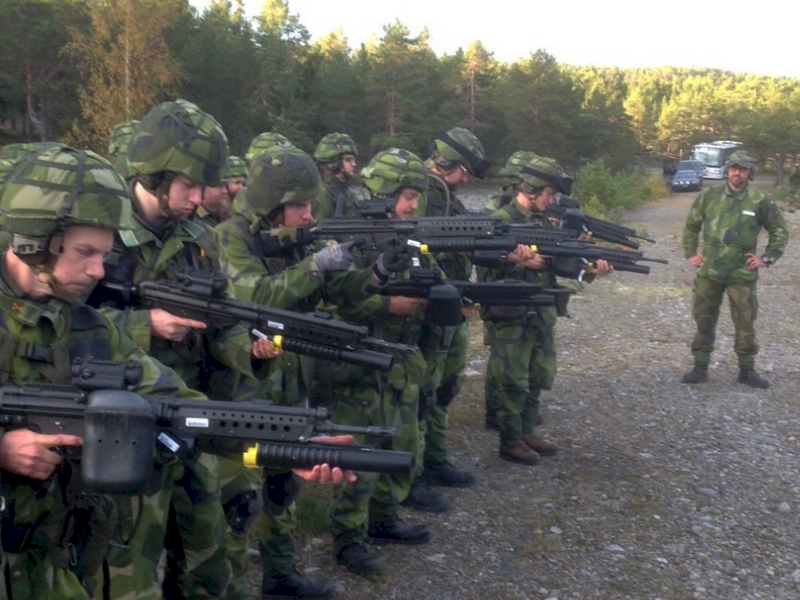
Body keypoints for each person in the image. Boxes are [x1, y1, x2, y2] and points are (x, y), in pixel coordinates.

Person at [83, 99, 276, 600]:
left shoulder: (199, 238)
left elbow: (221, 323)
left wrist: (250, 350)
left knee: (207, 560)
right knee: (130, 571)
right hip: (124, 428)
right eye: (188, 185)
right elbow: (63, 327)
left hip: (191, 418)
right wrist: (143, 325)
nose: (198, 197)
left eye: (203, 186)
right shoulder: (99, 233)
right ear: (154, 173)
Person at [214, 145, 393, 600]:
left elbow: (342, 290)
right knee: (241, 495)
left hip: (293, 378)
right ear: (270, 204)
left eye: (311, 205)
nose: (308, 214)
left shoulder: (299, 238)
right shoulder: (230, 237)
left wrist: (377, 272)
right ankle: (230, 585)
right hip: (246, 382)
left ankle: (280, 573)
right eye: (299, 205)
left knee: (287, 483)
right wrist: (314, 265)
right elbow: (255, 295)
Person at [314, 148, 443, 576]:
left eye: (415, 197)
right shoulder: (347, 236)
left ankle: (384, 517)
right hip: (356, 362)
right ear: (385, 193)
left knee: (400, 440)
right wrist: (387, 305)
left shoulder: (405, 234)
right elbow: (332, 301)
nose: (413, 205)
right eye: (407, 196)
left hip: (398, 358)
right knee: (360, 452)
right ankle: (348, 537)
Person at [479, 156, 612, 464]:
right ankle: (510, 439)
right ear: (531, 188)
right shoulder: (500, 219)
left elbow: (561, 263)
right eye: (548, 194)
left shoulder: (541, 223)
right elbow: (482, 263)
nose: (551, 201)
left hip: (540, 311)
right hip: (510, 313)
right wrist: (517, 262)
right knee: (512, 379)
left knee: (537, 374)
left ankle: (526, 431)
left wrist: (590, 270)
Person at [406, 128, 490, 507]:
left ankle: (435, 459)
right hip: (432, 308)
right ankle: (414, 472)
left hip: (452, 303)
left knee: (445, 387)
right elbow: (418, 250)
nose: (466, 178)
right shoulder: (424, 194)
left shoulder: (445, 197)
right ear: (444, 162)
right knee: (423, 392)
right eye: (463, 170)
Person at [682, 150, 788, 388]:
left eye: (742, 169)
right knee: (704, 319)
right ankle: (700, 366)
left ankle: (747, 370)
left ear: (750, 172)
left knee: (745, 321)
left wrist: (766, 258)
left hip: (742, 273)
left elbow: (779, 230)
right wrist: (690, 253)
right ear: (727, 170)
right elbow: (691, 226)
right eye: (733, 168)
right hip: (710, 272)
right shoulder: (709, 196)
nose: (737, 172)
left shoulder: (760, 200)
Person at [311, 132, 359, 220]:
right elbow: (320, 226)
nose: (354, 164)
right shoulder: (323, 195)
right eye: (348, 160)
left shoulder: (347, 192)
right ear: (333, 164)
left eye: (353, 160)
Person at [197, 155, 248, 229]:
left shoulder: (221, 212)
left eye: (243, 184)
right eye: (220, 186)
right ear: (203, 187)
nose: (225, 191)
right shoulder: (193, 219)